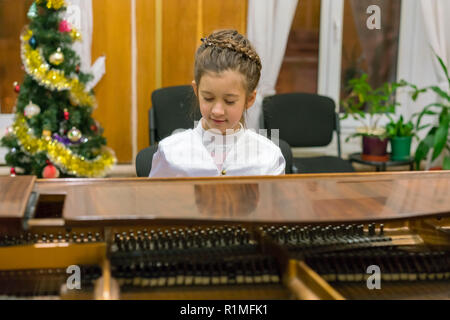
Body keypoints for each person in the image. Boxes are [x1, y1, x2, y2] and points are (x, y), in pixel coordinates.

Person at [149, 29, 285, 178]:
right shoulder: (170, 153)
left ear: (249, 99)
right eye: (208, 98)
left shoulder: (268, 157)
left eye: (229, 101)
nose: (217, 111)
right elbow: (154, 199)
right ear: (196, 90)